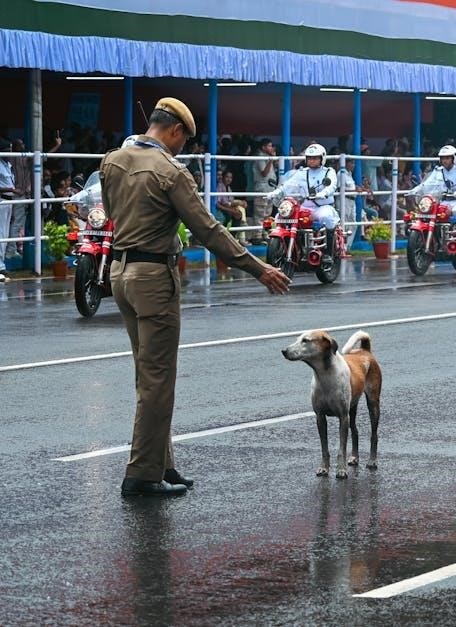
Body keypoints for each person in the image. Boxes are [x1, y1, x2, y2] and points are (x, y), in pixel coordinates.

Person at [100, 97, 290, 497]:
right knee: (157, 379)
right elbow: (208, 230)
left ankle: (162, 464)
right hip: (154, 278)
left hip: (120, 273)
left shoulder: (112, 161)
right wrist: (259, 268)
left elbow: (110, 212)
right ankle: (142, 474)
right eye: (183, 140)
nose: (181, 147)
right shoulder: (170, 171)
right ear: (174, 130)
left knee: (147, 374)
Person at [267, 143, 342, 263]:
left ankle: (328, 253)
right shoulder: (302, 172)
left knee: (326, 216)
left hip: (322, 206)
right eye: (309, 158)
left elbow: (332, 185)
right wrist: (275, 192)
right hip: (305, 206)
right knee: (280, 216)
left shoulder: (329, 171)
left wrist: (323, 193)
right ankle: (287, 246)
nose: (312, 160)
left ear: (322, 158)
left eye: (315, 158)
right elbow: (288, 185)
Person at [216, 170, 248, 244]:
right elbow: (218, 204)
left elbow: (231, 201)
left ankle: (233, 237)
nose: (229, 179)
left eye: (230, 178)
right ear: (223, 177)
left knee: (239, 211)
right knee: (237, 213)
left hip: (228, 207)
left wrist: (240, 203)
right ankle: (232, 237)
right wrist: (230, 209)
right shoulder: (219, 187)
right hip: (221, 208)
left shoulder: (229, 188)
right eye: (227, 177)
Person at [0, 140, 15, 282]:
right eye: (8, 150)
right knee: (1, 233)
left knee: (5, 234)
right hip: (2, 200)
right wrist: (11, 190)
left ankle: (2, 264)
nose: (10, 153)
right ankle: (0, 266)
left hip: (9, 201)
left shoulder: (8, 165)